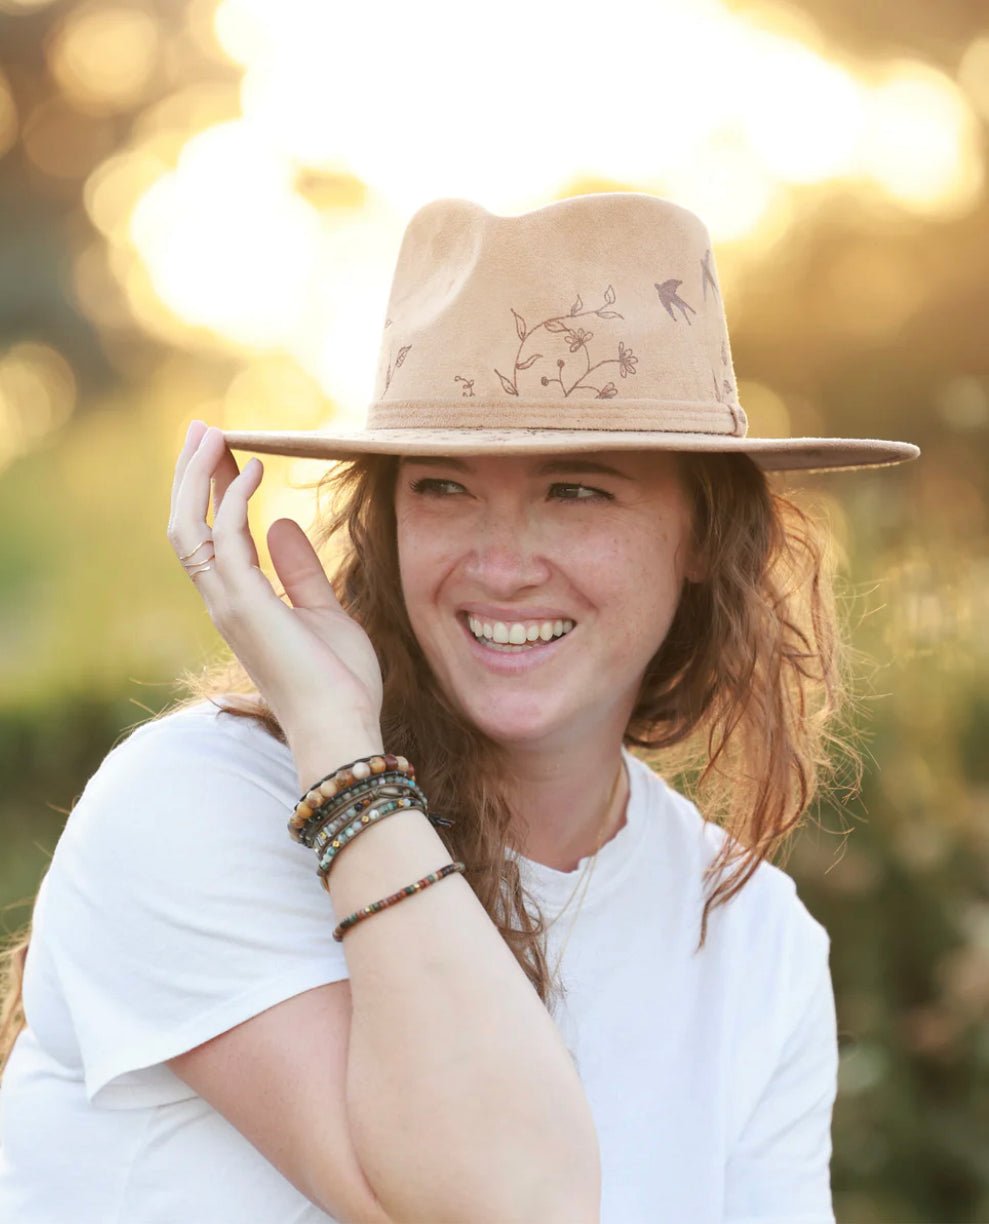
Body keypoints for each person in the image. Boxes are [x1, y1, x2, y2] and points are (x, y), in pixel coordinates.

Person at [0, 192, 919, 1223]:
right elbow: (499, 1201)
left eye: (577, 491)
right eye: (441, 488)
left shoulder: (755, 943)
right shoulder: (194, 807)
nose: (500, 564)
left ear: (703, 535)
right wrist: (343, 754)